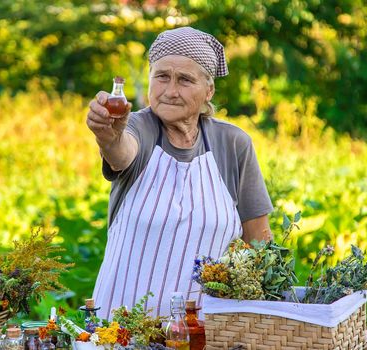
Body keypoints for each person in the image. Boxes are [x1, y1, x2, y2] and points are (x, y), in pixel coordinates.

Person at [86, 27, 273, 319]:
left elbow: (259, 245)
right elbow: (121, 153)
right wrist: (108, 137)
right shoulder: (139, 127)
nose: (170, 91)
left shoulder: (232, 145)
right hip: (119, 331)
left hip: (199, 334)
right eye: (162, 76)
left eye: (185, 80)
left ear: (209, 90)